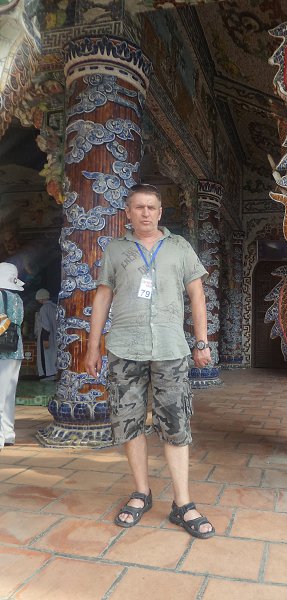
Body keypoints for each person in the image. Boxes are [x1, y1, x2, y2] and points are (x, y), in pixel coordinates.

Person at [85, 183, 214, 537]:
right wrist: (93, 347)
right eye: (138, 207)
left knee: (175, 423)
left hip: (171, 348)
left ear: (160, 212)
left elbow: (197, 295)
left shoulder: (179, 247)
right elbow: (103, 298)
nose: (145, 213)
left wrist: (202, 342)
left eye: (151, 207)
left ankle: (182, 503)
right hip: (124, 347)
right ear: (128, 213)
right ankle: (141, 492)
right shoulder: (116, 249)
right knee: (128, 421)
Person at [0, 263, 24, 449]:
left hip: (2, 351)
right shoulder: (17, 298)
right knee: (8, 394)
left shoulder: (0, 296)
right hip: (16, 349)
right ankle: (8, 433)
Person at [34, 288, 57, 379]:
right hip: (55, 336)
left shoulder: (44, 308)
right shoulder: (55, 307)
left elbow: (45, 325)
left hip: (46, 336)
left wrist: (45, 339)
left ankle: (46, 375)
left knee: (45, 356)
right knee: (53, 355)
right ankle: (53, 373)